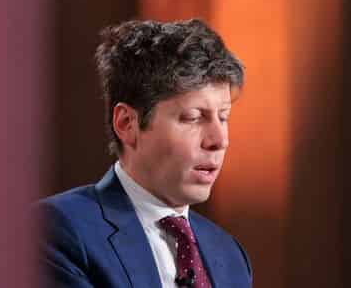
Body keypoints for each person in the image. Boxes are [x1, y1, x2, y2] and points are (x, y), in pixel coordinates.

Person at [38, 19, 252, 287]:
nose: (220, 140)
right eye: (193, 117)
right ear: (127, 123)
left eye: (223, 117)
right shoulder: (58, 229)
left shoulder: (230, 254)